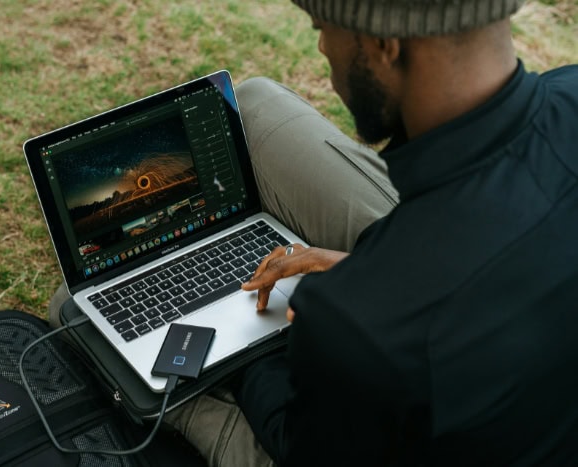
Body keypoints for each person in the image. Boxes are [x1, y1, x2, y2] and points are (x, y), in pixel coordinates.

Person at [162, 0, 578, 465]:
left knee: (76, 320)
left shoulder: (361, 329)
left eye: (324, 29)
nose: (322, 47)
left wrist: (241, 354)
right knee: (256, 101)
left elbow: (300, 445)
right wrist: (366, 269)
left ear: (385, 44)